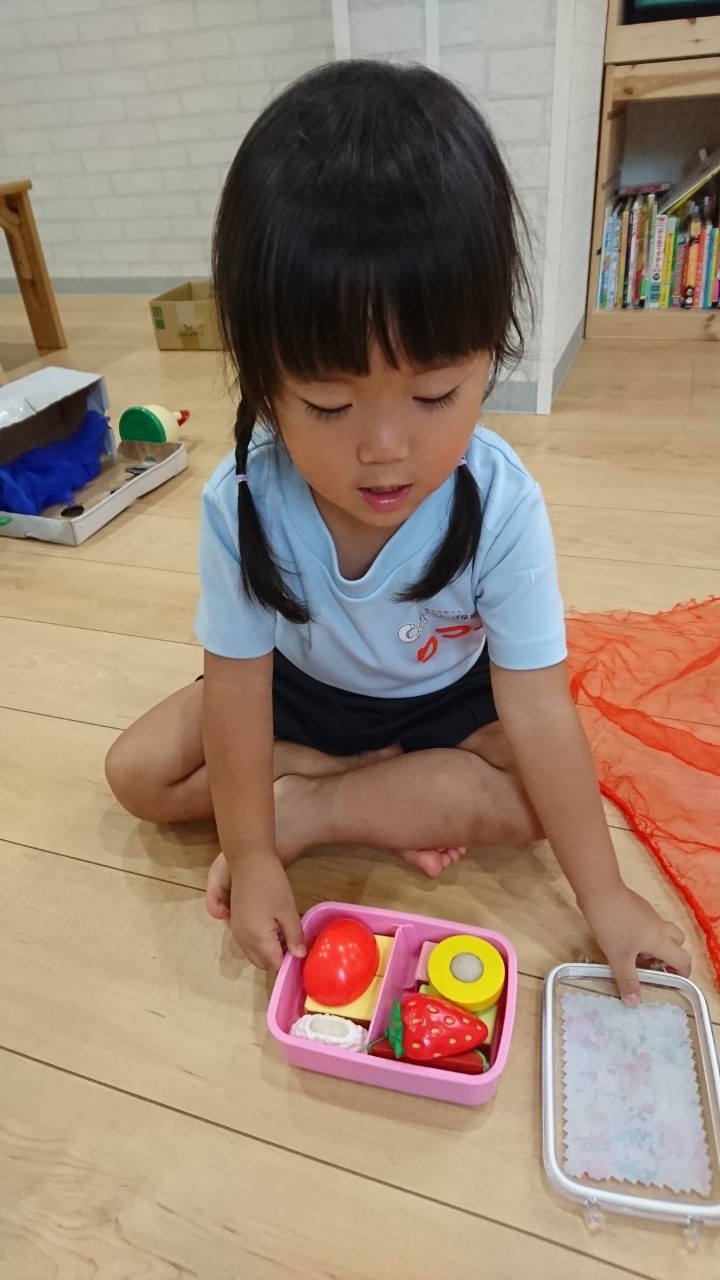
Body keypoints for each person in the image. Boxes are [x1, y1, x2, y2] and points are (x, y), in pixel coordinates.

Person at [105, 60, 691, 999]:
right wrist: (251, 858)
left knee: (532, 800)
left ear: (491, 355)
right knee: (136, 773)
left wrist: (608, 896)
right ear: (262, 383)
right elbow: (239, 688)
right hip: (299, 693)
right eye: (329, 406)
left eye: (435, 395)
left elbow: (541, 711)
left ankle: (315, 804)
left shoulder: (501, 505)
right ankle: (348, 782)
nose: (385, 451)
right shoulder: (244, 500)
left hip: (441, 700)